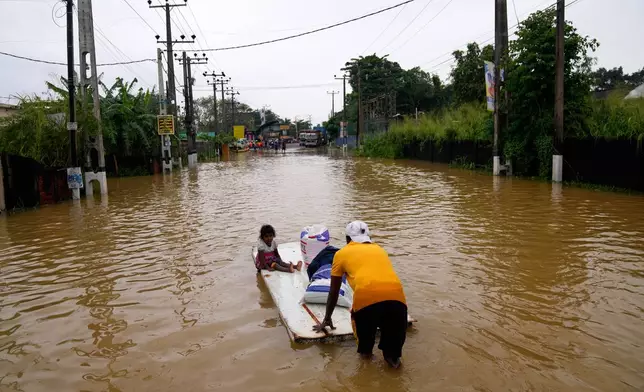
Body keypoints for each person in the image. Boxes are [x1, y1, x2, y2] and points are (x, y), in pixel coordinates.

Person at [313, 221, 407, 369]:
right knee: (393, 358)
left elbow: (334, 290)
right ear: (367, 236)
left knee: (366, 354)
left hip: (366, 301)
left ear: (347, 239)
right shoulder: (380, 250)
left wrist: (327, 318)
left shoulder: (341, 254)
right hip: (398, 300)